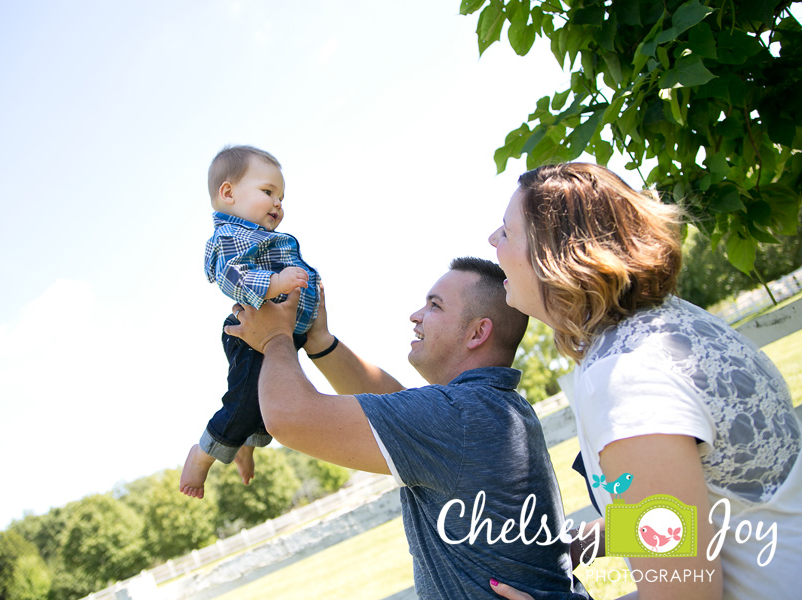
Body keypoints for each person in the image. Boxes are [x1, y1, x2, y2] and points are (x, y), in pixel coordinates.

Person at [488, 162, 802, 599]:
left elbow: (686, 593)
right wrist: (591, 540)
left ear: (554, 255)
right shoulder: (673, 325)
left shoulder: (626, 377)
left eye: (506, 231)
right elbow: (719, 505)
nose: (491, 241)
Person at [226, 257, 590, 600]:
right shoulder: (494, 406)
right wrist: (321, 342)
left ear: (478, 333)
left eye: (435, 306)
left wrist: (275, 339)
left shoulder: (457, 417)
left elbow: (290, 416)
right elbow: (395, 404)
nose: (416, 315)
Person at [179, 145, 320, 498]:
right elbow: (232, 275)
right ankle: (202, 454)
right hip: (251, 336)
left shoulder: (261, 237)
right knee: (244, 403)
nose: (278, 204)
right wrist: (275, 283)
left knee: (268, 406)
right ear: (228, 193)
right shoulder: (230, 236)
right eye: (268, 192)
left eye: (282, 197)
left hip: (280, 333)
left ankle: (244, 444)